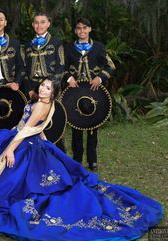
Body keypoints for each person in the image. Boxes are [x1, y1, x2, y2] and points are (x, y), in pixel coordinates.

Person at [0, 79, 162, 241]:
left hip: (22, 141)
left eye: (48, 87)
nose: (43, 88)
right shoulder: (45, 103)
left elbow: (27, 129)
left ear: (54, 93)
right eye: (42, 85)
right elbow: (35, 129)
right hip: (28, 140)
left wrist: (10, 150)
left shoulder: (41, 105)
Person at [63, 17, 116, 171]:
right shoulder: (69, 48)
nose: (82, 31)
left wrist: (100, 78)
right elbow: (63, 67)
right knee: (76, 127)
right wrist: (69, 78)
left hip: (94, 93)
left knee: (93, 127)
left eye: (85, 28)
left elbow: (111, 66)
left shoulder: (99, 47)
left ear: (90, 29)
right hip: (75, 93)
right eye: (79, 28)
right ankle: (77, 159)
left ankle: (92, 160)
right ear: (75, 31)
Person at [24, 12, 66, 152]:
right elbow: (24, 69)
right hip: (33, 91)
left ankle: (60, 158)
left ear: (48, 24)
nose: (39, 25)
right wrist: (30, 89)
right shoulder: (28, 45)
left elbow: (61, 67)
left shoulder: (56, 42)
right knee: (33, 125)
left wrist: (51, 89)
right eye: (36, 22)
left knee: (54, 125)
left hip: (50, 90)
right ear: (32, 25)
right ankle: (37, 157)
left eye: (42, 22)